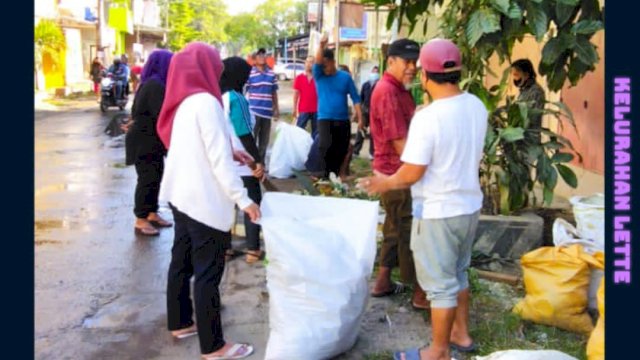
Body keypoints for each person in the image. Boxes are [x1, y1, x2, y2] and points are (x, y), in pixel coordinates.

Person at [360, 38, 488, 360]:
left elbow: (412, 171)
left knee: (441, 285)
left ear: (426, 78)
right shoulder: (475, 105)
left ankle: (439, 351)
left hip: (438, 212)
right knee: (459, 273)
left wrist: (384, 183)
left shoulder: (428, 119)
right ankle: (461, 333)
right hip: (469, 207)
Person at [156, 42, 258, 360]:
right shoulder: (208, 103)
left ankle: (180, 322)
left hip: (180, 197)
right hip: (202, 202)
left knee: (181, 263)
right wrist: (244, 200)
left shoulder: (186, 102)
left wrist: (232, 150)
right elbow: (217, 161)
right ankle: (214, 346)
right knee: (208, 274)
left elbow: (197, 147)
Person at [368, 39, 429, 311]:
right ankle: (419, 292)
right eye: (407, 62)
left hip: (391, 170)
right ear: (390, 61)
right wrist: (422, 168)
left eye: (415, 63)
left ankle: (382, 280)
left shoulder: (398, 90)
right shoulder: (388, 92)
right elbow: (399, 143)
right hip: (396, 172)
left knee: (393, 227)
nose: (412, 68)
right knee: (408, 231)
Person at [220, 56, 266, 264]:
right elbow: (244, 132)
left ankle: (226, 248)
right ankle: (252, 250)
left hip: (225, 159)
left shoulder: (218, 97)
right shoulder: (236, 98)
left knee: (227, 204)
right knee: (252, 202)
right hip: (243, 159)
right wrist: (257, 161)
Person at [123, 49, 174, 236]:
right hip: (145, 140)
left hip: (150, 140)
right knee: (147, 179)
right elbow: (161, 115)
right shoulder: (155, 86)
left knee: (155, 176)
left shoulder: (153, 83)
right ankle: (141, 219)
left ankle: (152, 213)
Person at [313, 32, 362, 179]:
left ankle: (336, 176)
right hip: (325, 118)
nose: (324, 69)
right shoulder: (319, 74)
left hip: (342, 120)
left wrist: (360, 118)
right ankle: (325, 175)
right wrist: (321, 45)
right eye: (322, 66)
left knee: (341, 149)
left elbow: (356, 98)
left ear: (333, 62)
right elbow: (317, 61)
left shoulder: (345, 77)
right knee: (325, 146)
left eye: (326, 65)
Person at [246, 48, 279, 162]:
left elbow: (274, 92)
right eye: (259, 55)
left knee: (264, 141)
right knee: (252, 139)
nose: (261, 57)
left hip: (267, 112)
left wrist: (276, 109)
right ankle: (253, 164)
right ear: (255, 59)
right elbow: (245, 91)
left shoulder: (271, 74)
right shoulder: (250, 73)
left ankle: (262, 163)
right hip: (253, 111)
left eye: (263, 55)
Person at [511, 58, 546, 144]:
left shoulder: (536, 92)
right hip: (520, 138)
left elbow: (532, 118)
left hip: (529, 141)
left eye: (516, 75)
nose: (514, 79)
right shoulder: (524, 91)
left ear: (526, 75)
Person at [353, 65, 379, 158]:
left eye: (376, 72)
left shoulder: (379, 85)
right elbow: (361, 99)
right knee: (361, 130)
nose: (374, 74)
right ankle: (356, 151)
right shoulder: (366, 85)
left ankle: (372, 153)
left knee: (373, 132)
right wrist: (358, 111)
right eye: (373, 72)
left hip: (375, 112)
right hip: (365, 110)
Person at [292, 56, 319, 139]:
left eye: (311, 62)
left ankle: (313, 150)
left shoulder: (319, 78)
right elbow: (296, 94)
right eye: (307, 62)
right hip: (304, 109)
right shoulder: (299, 78)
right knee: (299, 130)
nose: (309, 64)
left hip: (317, 109)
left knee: (316, 133)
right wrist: (294, 109)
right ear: (305, 64)